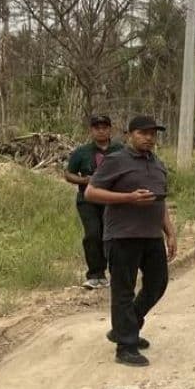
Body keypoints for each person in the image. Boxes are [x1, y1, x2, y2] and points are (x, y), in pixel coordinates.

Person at [86, 116, 178, 367]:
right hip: (122, 236)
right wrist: (128, 197)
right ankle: (126, 345)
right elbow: (91, 192)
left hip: (151, 235)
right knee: (123, 290)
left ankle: (126, 326)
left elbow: (161, 202)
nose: (149, 137)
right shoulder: (115, 160)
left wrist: (170, 232)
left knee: (158, 284)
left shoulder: (157, 164)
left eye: (153, 134)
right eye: (143, 133)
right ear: (129, 135)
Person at [64, 115, 124, 289]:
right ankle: (95, 274)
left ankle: (116, 273)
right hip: (87, 199)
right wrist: (84, 181)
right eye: (97, 127)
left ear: (110, 129)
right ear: (91, 130)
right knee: (92, 234)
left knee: (111, 236)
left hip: (111, 199)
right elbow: (68, 174)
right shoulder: (81, 152)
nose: (101, 130)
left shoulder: (120, 150)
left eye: (104, 127)